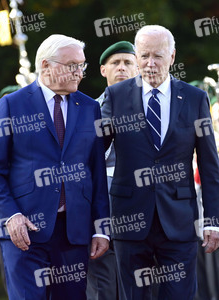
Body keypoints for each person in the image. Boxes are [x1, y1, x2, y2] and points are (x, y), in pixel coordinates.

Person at [101, 25, 219, 300]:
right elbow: (94, 157)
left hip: (179, 220)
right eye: (143, 56)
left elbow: (209, 163)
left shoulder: (195, 98)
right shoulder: (116, 96)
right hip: (129, 219)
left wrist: (214, 220)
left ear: (172, 56)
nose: (150, 63)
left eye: (158, 56)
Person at [0, 34, 110, 300]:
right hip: (24, 232)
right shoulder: (11, 105)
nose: (79, 72)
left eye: (82, 66)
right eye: (71, 65)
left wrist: (100, 227)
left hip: (74, 232)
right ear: (45, 66)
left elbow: (96, 172)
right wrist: (11, 216)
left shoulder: (89, 108)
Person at [87, 41, 138, 300]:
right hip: (104, 205)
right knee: (104, 286)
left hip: (144, 208)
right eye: (115, 63)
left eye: (128, 63)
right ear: (103, 70)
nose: (122, 68)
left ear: (139, 69)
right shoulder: (88, 109)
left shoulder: (155, 108)